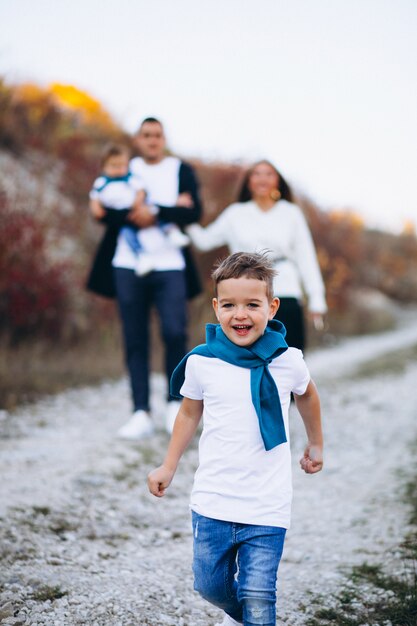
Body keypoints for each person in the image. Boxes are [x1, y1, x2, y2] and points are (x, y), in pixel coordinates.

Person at [148, 251, 324, 626]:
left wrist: (316, 443)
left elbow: (307, 394)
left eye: (252, 304)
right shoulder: (202, 362)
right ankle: (237, 616)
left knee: (260, 597)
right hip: (214, 500)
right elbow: (189, 412)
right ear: (215, 307)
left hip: (267, 504)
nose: (239, 314)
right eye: (229, 305)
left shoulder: (287, 360)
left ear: (272, 307)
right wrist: (168, 464)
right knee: (210, 586)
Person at [87, 118, 202, 438]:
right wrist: (140, 212)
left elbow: (195, 212)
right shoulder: (124, 166)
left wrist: (159, 212)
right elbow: (102, 210)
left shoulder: (181, 169)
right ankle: (140, 412)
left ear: (164, 138)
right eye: (146, 135)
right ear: (137, 140)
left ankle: (173, 404)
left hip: (171, 264)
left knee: (174, 332)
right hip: (127, 263)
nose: (152, 140)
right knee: (135, 337)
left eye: (158, 135)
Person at [186, 160, 327, 351]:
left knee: (289, 355)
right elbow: (204, 241)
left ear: (277, 181)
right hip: (245, 293)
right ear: (248, 181)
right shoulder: (235, 214)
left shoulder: (290, 213)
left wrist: (316, 297)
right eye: (257, 174)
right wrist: (181, 215)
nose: (263, 179)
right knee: (246, 357)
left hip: (285, 290)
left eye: (269, 174)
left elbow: (306, 256)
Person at [89, 143, 191, 277]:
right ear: (104, 166)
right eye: (114, 166)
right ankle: (142, 256)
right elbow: (95, 198)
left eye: (122, 166)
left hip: (140, 207)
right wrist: (96, 209)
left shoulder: (130, 178)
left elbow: (141, 191)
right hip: (124, 218)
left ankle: (171, 231)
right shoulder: (101, 183)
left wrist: (137, 202)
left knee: (154, 211)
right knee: (128, 234)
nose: (118, 170)